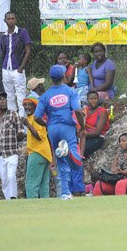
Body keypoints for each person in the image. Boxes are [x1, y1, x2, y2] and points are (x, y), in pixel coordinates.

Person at [34, 65, 86, 200]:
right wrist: (83, 127)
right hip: (67, 127)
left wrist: (47, 125)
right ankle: (67, 151)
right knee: (77, 162)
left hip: (52, 129)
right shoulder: (70, 92)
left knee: (61, 163)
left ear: (51, 78)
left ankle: (65, 192)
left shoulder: (45, 95)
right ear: (63, 76)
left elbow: (36, 117)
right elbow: (78, 111)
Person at [0, 92, 24, 199]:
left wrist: (19, 135)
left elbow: (21, 132)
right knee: (4, 179)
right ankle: (8, 199)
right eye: (0, 99)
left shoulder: (13, 114)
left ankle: (13, 197)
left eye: (4, 99)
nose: (4, 101)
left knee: (11, 175)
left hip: (12, 152)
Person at [0, 11, 31, 118]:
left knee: (21, 95)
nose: (11, 21)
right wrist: (2, 67)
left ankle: (23, 121)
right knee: (9, 96)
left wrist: (21, 67)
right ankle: (13, 119)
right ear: (5, 21)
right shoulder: (4, 35)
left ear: (16, 20)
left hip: (17, 68)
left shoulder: (22, 32)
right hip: (6, 69)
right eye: (8, 19)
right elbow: (3, 52)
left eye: (13, 19)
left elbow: (28, 50)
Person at [23, 97, 52, 198]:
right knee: (44, 184)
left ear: (35, 107)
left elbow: (39, 136)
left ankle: (31, 207)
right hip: (45, 154)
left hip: (37, 153)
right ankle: (45, 208)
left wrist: (27, 125)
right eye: (25, 105)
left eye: (29, 105)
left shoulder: (35, 119)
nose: (27, 107)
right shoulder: (33, 118)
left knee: (31, 183)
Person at [82, 90, 110, 157]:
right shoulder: (86, 110)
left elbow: (97, 132)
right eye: (91, 99)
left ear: (98, 99)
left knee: (81, 149)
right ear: (87, 100)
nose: (93, 100)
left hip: (96, 138)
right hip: (85, 136)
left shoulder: (102, 112)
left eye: (95, 98)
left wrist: (83, 135)